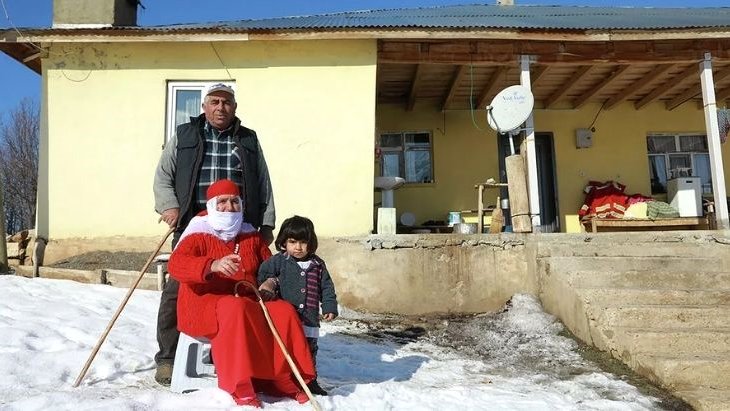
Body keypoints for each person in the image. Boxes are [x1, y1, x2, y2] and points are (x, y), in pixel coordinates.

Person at [153, 83, 276, 385]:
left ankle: (242, 353)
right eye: (215, 101)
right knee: (177, 289)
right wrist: (169, 207)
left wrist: (267, 223)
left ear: (235, 107)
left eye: (227, 102)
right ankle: (168, 358)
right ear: (204, 106)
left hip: (237, 224)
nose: (221, 107)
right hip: (194, 223)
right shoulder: (184, 135)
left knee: (241, 284)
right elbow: (163, 176)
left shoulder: (248, 140)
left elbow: (263, 182)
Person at [167, 179, 314, 407]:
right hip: (203, 303)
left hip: (247, 297)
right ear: (212, 205)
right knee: (235, 308)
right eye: (223, 202)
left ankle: (283, 377)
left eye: (234, 201)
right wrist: (211, 266)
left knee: (282, 310)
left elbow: (272, 266)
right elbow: (176, 265)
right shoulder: (198, 231)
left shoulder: (250, 235)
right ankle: (239, 384)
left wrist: (270, 283)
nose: (229, 207)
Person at [258, 215, 338, 396]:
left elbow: (327, 287)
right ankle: (285, 378)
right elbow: (263, 274)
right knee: (287, 348)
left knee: (309, 349)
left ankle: (310, 380)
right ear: (284, 242)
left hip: (309, 317)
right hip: (288, 317)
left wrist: (329, 307)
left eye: (303, 242)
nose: (298, 247)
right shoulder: (280, 260)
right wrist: (269, 285)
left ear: (311, 243)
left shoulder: (318, 264)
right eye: (293, 242)